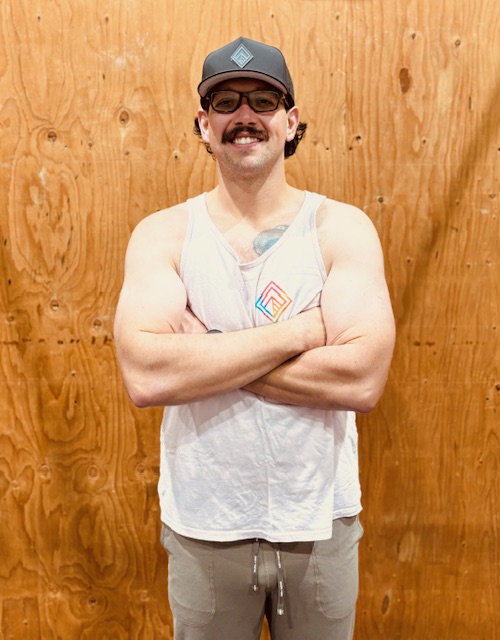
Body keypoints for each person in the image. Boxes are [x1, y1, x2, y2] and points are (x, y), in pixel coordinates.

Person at [114, 36, 395, 640]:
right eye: (226, 103)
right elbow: (147, 376)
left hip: (318, 522)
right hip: (204, 528)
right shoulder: (163, 235)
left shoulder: (340, 229)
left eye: (263, 101)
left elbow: (361, 380)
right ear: (204, 124)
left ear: (290, 121)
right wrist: (301, 333)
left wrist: (206, 352)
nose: (245, 116)